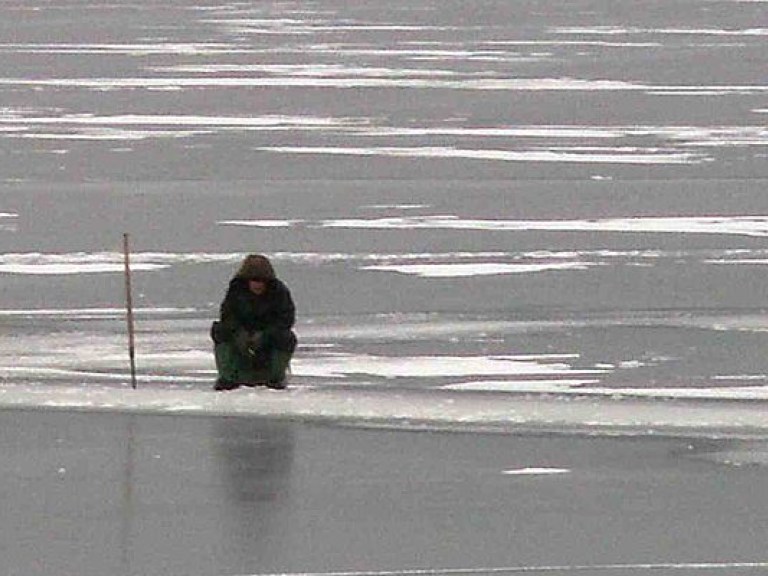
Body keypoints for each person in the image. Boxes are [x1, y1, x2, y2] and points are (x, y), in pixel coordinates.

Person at [210, 254, 297, 391]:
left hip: (269, 339)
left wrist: (265, 335)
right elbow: (227, 316)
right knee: (220, 330)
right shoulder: (236, 291)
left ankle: (275, 377)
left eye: (262, 280)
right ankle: (228, 377)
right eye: (254, 280)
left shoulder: (279, 292)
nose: (258, 284)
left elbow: (286, 319)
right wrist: (239, 333)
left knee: (286, 338)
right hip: (241, 337)